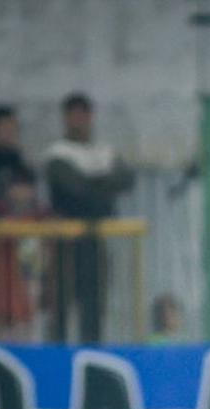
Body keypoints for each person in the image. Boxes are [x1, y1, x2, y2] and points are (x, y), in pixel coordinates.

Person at [43, 93, 134, 342]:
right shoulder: (58, 153)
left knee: (95, 300)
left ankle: (92, 348)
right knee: (62, 301)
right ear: (66, 118)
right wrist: (103, 185)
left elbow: (126, 179)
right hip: (67, 240)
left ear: (90, 117)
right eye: (74, 114)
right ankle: (57, 352)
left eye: (84, 114)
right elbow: (72, 189)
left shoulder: (103, 150)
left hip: (97, 238)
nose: (79, 120)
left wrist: (90, 186)